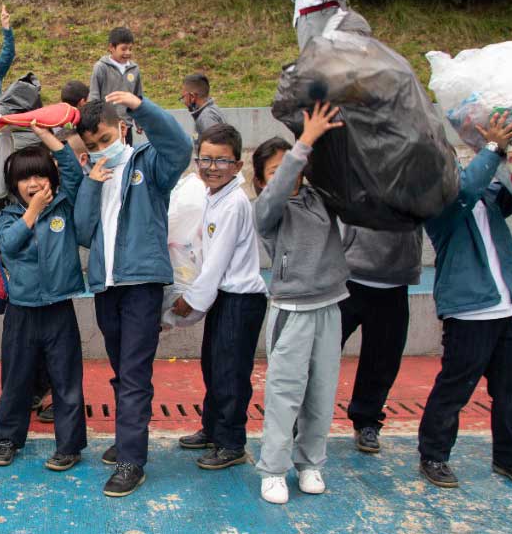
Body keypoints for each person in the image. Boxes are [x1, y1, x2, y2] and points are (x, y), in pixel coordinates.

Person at [74, 92, 191, 497]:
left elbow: (180, 146)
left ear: (121, 128)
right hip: (106, 287)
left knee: (136, 374)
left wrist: (142, 107)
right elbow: (82, 231)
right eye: (91, 145)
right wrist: (91, 182)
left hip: (141, 284)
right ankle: (127, 441)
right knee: (122, 371)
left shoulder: (150, 164)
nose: (100, 148)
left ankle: (131, 461)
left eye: (105, 138)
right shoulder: (95, 171)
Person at [417, 112, 512, 490]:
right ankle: (433, 455)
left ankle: (509, 456)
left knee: (511, 388)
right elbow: (465, 190)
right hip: (469, 310)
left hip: (506, 306)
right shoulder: (436, 201)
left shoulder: (487, 195)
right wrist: (491, 147)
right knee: (456, 386)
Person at [252, 103, 349, 505]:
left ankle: (310, 463)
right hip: (291, 312)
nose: (287, 176)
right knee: (284, 393)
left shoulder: (318, 198)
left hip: (330, 305)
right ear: (260, 181)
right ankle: (273, 469)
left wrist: (321, 142)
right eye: (275, 171)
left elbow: (342, 177)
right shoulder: (267, 211)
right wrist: (303, 142)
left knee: (322, 392)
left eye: (291, 167)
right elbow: (278, 189)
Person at [0, 124, 88, 471]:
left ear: (51, 178)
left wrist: (46, 135)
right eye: (24, 179)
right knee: (15, 380)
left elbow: (74, 170)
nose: (33, 185)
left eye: (40, 177)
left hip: (59, 308)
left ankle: (70, 446)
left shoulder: (64, 205)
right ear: (14, 185)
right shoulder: (8, 215)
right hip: (21, 311)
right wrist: (30, 214)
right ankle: (5, 440)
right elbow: (8, 245)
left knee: (66, 382)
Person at [170, 124, 266, 470]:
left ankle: (231, 442)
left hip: (240, 300)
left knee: (230, 373)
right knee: (213, 367)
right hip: (224, 299)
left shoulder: (234, 204)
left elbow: (216, 263)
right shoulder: (214, 197)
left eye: (221, 161)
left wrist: (190, 302)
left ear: (238, 166)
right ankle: (212, 429)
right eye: (204, 159)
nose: (211, 167)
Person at [339, 223, 422, 454]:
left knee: (383, 359)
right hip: (350, 276)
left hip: (396, 279)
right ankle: (302, 418)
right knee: (321, 355)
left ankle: (367, 420)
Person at [87, 28, 143, 145]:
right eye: (123, 49)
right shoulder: (101, 67)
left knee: (127, 160)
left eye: (130, 49)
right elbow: (94, 96)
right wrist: (94, 122)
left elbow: (138, 97)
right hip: (106, 127)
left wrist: (139, 121)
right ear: (111, 47)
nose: (127, 52)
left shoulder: (135, 69)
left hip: (126, 127)